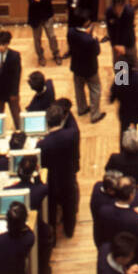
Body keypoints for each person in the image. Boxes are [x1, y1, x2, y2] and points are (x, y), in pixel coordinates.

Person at [40, 102, 80, 238]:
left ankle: (53, 238)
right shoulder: (72, 134)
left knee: (51, 208)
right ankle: (69, 231)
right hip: (68, 176)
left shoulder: (42, 144)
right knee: (69, 206)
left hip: (51, 180)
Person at [68, 13, 105, 123]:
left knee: (79, 89)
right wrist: (94, 38)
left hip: (76, 66)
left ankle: (82, 108)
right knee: (95, 89)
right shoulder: (89, 40)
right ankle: (95, 115)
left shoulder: (70, 32)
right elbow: (97, 52)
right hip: (90, 69)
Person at [25, 0, 61, 66]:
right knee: (37, 38)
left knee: (52, 36)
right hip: (35, 16)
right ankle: (40, 56)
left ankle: (56, 53)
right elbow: (32, 2)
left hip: (47, 14)